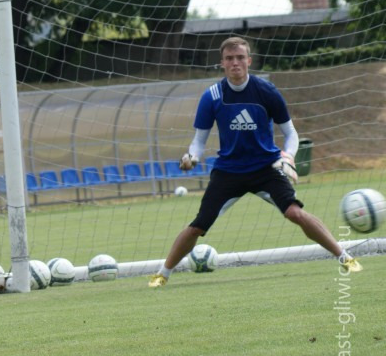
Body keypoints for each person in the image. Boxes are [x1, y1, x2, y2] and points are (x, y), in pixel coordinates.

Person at [149, 37, 362, 288]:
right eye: (229, 58)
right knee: (198, 227)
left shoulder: (266, 91)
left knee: (295, 212)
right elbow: (198, 140)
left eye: (240, 57)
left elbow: (291, 133)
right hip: (229, 171)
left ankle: (345, 257)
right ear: (222, 63)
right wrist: (192, 156)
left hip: (266, 167)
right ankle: (162, 274)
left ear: (249, 61)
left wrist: (288, 157)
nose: (235, 63)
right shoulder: (212, 96)